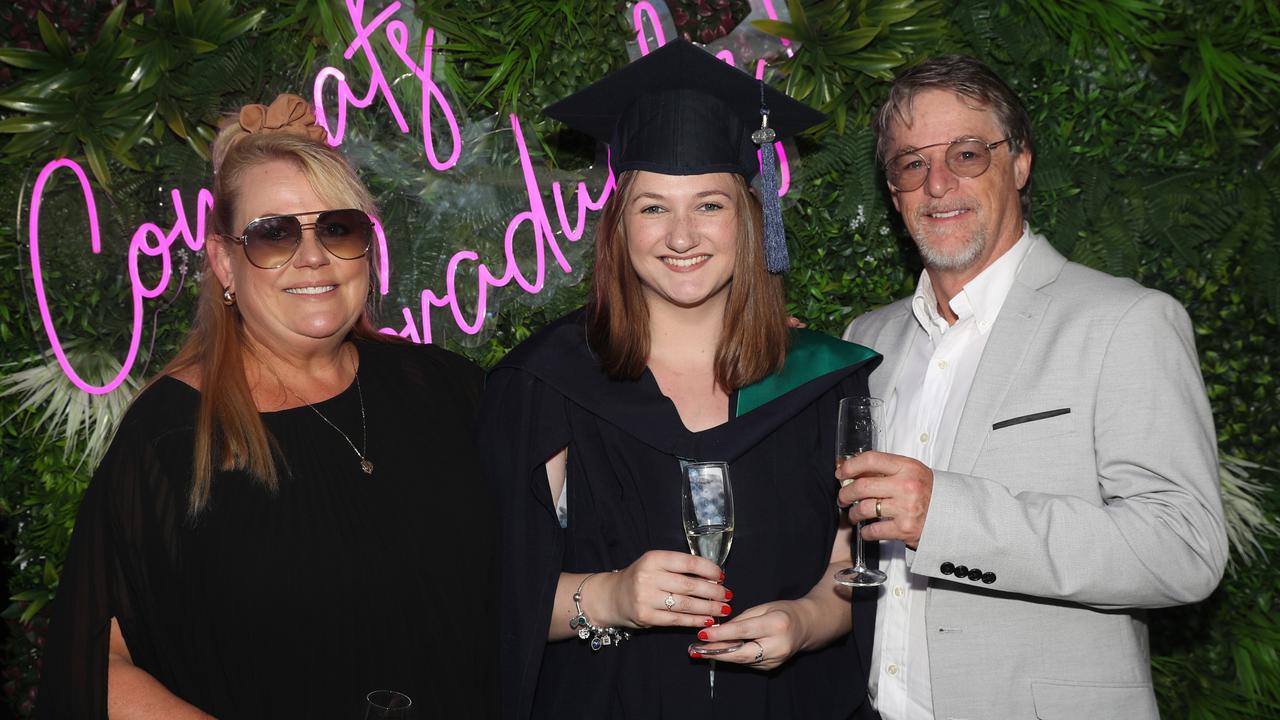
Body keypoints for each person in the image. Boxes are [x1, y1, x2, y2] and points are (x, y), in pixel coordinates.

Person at [36, 94, 497, 719]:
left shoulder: (446, 390)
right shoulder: (173, 436)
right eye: (272, 234)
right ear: (225, 263)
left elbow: (518, 589)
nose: (313, 256)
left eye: (337, 227)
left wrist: (614, 597)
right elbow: (96, 663)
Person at [481, 40, 882, 719]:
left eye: (709, 205)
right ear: (618, 226)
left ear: (751, 218)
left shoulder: (822, 381)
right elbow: (490, 592)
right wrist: (610, 597)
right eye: (653, 207)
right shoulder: (546, 384)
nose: (682, 236)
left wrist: (808, 620)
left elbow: (854, 566)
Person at [836, 55, 1228, 719]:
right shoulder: (866, 340)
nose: (937, 184)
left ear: (1019, 163)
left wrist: (948, 517)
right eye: (911, 163)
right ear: (894, 190)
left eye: (965, 153)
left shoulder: (1125, 321)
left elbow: (1184, 546)